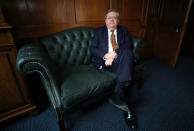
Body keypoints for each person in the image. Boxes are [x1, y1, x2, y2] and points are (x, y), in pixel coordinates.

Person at [90, 9, 137, 129]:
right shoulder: (99, 31)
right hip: (104, 62)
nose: (112, 19)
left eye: (115, 17)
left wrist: (114, 54)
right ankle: (127, 109)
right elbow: (93, 48)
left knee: (127, 53)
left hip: (118, 60)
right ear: (105, 20)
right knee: (127, 64)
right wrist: (106, 56)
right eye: (109, 17)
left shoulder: (124, 30)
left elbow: (128, 46)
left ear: (118, 21)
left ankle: (121, 101)